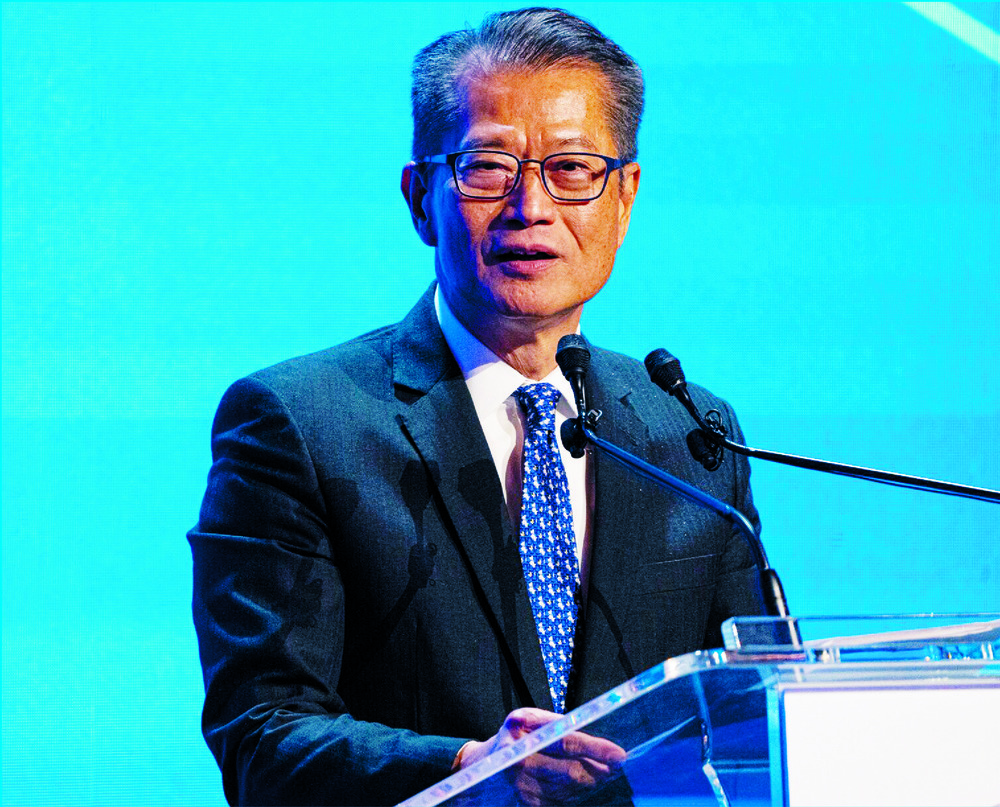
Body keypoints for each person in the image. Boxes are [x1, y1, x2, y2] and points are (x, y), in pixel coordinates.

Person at [189, 8, 766, 806]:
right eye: (488, 167)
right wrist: (472, 769)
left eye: (572, 168)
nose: (531, 207)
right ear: (419, 198)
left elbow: (748, 717)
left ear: (624, 198)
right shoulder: (299, 423)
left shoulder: (691, 435)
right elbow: (264, 735)